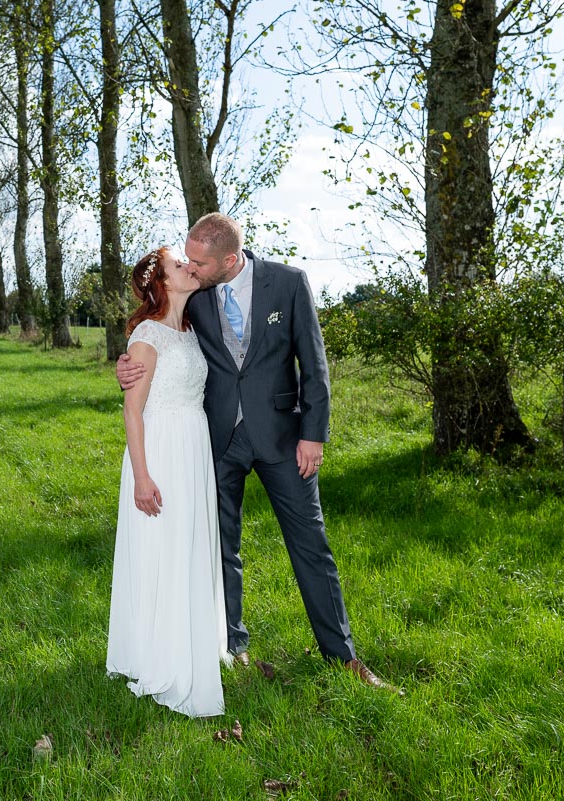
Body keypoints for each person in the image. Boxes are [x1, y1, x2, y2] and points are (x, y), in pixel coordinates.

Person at [117, 214, 401, 694]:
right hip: (214, 439)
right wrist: (124, 367)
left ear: (229, 259)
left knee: (311, 545)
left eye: (200, 261)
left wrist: (314, 433)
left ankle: (344, 655)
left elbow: (314, 364)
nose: (192, 266)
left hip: (284, 440)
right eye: (186, 259)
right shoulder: (196, 291)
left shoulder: (288, 283)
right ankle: (230, 645)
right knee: (218, 545)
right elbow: (158, 338)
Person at [106, 246, 228, 718]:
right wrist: (141, 476)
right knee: (163, 548)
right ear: (162, 282)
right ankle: (159, 652)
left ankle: (195, 638)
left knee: (190, 545)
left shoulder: (194, 329)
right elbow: (132, 409)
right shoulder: (146, 336)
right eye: (181, 265)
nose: (190, 268)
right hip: (159, 449)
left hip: (194, 447)